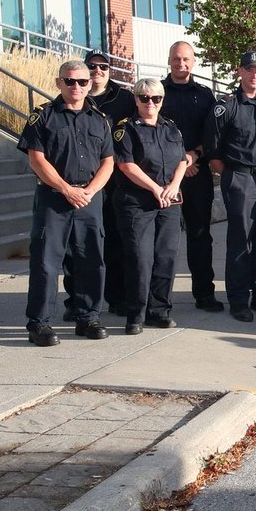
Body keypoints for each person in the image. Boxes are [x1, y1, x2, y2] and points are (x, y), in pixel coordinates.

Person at [18, 60, 114, 345]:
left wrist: (90, 191)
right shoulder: (43, 116)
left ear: (90, 84)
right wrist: (65, 189)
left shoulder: (99, 119)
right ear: (58, 83)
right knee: (46, 263)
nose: (76, 87)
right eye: (70, 81)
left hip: (89, 199)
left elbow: (108, 162)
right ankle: (40, 324)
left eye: (82, 82)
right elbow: (36, 159)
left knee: (91, 260)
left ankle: (87, 317)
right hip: (54, 199)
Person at [205, 51, 256, 323]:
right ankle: (239, 299)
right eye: (249, 69)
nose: (254, 75)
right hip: (240, 178)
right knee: (241, 241)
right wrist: (232, 177)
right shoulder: (227, 106)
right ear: (239, 71)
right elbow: (213, 149)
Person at [112, 78, 186, 334]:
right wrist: (155, 188)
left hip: (169, 200)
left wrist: (174, 185)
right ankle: (136, 315)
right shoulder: (126, 128)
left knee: (166, 256)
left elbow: (182, 160)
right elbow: (126, 165)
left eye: (156, 98)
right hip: (137, 201)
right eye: (144, 98)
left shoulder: (171, 128)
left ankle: (159, 311)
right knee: (140, 259)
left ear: (162, 100)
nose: (150, 103)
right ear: (136, 99)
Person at [66, 49, 133, 317]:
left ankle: (117, 298)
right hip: (81, 184)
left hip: (115, 182)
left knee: (116, 243)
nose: (97, 71)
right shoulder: (72, 96)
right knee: (78, 247)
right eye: (92, 66)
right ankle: (76, 302)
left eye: (103, 67)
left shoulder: (125, 99)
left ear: (110, 70)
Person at [159, 41, 222, 312]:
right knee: (164, 241)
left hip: (197, 175)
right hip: (164, 177)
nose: (181, 63)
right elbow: (152, 131)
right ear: (169, 60)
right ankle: (158, 300)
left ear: (193, 61)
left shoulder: (205, 95)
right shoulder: (157, 92)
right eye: (176, 58)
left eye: (186, 59)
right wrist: (180, 163)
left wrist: (194, 157)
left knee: (200, 236)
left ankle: (204, 295)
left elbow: (213, 135)